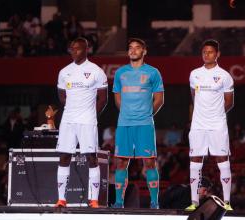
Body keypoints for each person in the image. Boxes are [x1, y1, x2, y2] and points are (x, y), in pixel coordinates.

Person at [55, 37, 108, 208]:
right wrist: (72, 109)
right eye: (72, 49)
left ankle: (93, 200)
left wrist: (91, 114)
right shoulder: (64, 72)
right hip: (68, 120)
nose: (74, 52)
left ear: (86, 49)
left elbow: (103, 98)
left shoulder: (96, 71)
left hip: (87, 120)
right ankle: (61, 199)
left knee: (91, 158)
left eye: (78, 49)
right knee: (64, 157)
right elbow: (62, 96)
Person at [112, 38, 164, 209]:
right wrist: (127, 113)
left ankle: (154, 202)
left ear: (144, 51)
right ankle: (119, 203)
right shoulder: (120, 73)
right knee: (121, 163)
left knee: (149, 163)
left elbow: (159, 99)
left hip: (145, 124)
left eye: (137, 48)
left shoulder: (153, 72)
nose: (133, 51)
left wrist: (147, 114)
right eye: (130, 48)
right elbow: (117, 98)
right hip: (124, 124)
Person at [186, 39, 234, 211]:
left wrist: (216, 115)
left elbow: (229, 102)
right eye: (204, 52)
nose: (207, 55)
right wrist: (201, 114)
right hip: (198, 125)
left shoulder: (225, 76)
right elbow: (194, 97)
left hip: (217, 125)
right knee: (195, 161)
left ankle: (227, 202)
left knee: (222, 160)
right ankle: (194, 202)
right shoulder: (194, 74)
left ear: (217, 54)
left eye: (210, 52)